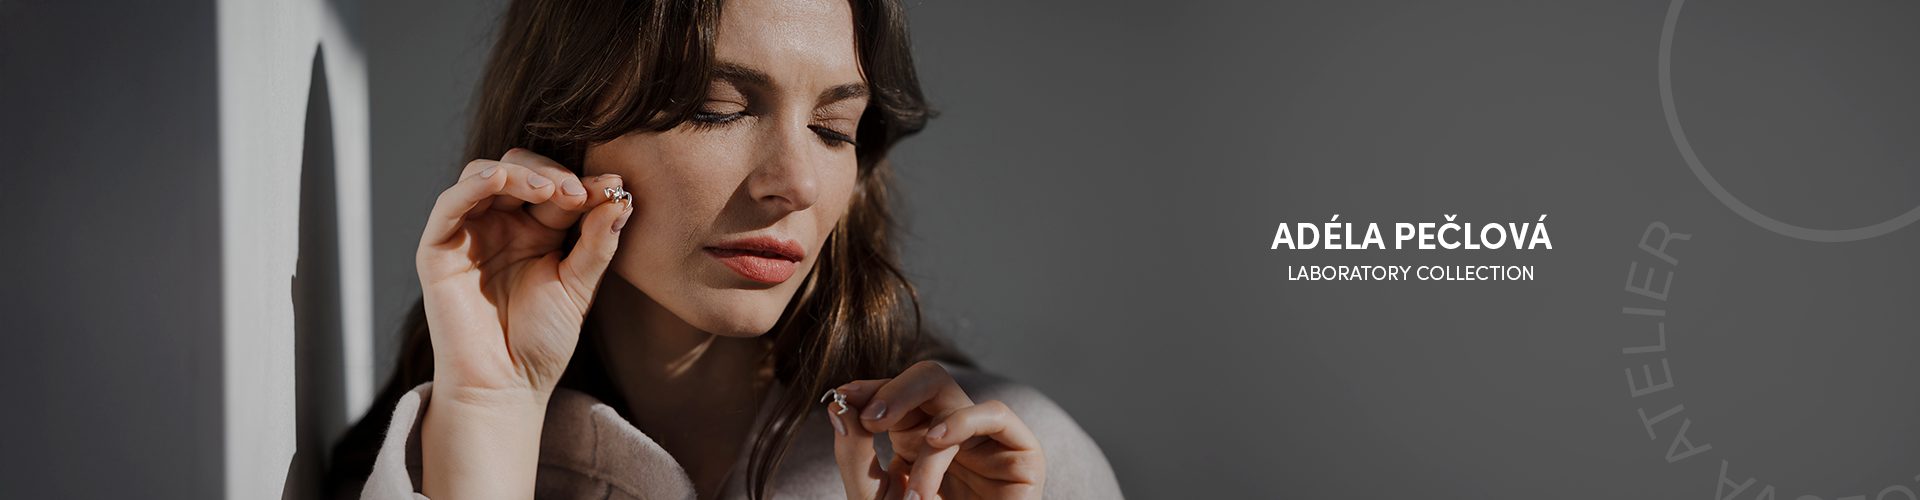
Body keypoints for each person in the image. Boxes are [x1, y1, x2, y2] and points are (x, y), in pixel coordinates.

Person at [324, 0, 1123, 498]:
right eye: (717, 109)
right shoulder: (421, 469)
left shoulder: (1002, 461)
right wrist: (492, 406)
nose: (795, 183)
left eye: (832, 129)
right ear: (564, 134)